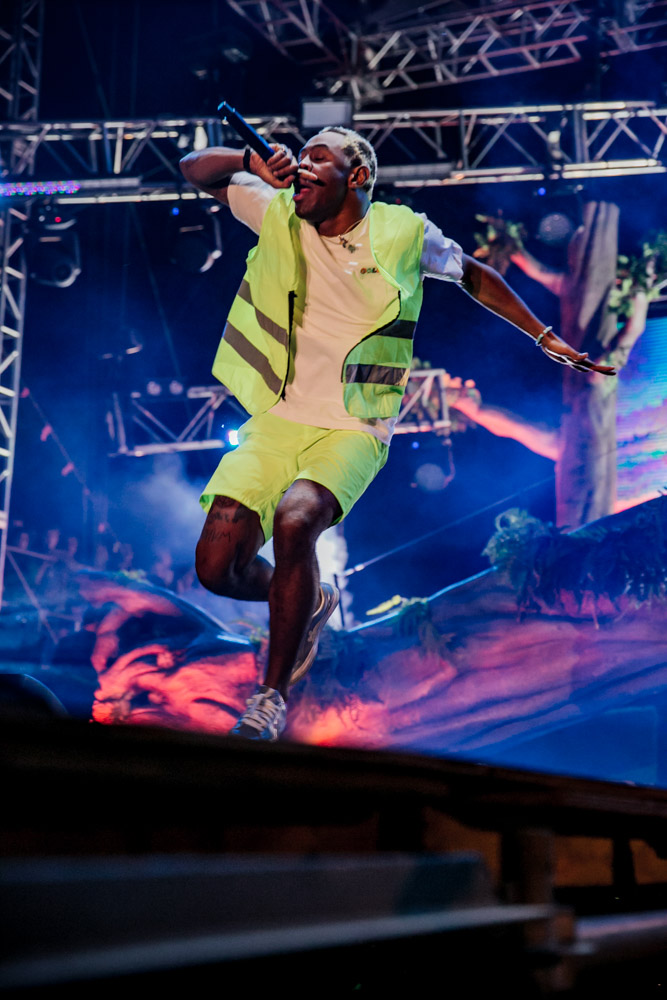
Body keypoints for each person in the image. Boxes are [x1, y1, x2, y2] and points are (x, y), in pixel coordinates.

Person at [179, 128, 615, 741]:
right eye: (298, 159)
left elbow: (474, 274)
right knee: (215, 568)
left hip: (355, 425)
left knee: (297, 519)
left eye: (317, 161)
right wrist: (252, 159)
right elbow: (196, 168)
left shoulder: (403, 233)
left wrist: (543, 336)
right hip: (279, 418)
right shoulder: (277, 211)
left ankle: (269, 698)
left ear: (355, 178)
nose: (301, 168)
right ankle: (307, 604)